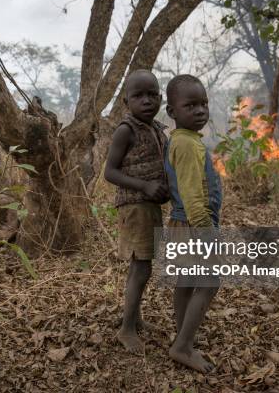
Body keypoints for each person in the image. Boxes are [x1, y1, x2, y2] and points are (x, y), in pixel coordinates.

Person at [104, 69, 169, 354]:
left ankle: (135, 319)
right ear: (125, 101)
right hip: (135, 206)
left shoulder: (155, 128)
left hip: (149, 206)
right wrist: (144, 185)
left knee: (142, 265)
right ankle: (126, 329)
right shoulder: (125, 130)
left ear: (161, 98)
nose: (146, 101)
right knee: (140, 267)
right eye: (138, 96)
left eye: (152, 95)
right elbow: (109, 172)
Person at [163, 74, 222, 372]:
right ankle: (183, 346)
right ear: (172, 112)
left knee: (186, 281)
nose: (200, 110)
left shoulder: (184, 139)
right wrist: (208, 233)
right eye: (191, 105)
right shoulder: (186, 145)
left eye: (204, 104)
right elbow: (191, 196)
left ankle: (183, 334)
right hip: (191, 224)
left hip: (181, 224)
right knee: (210, 281)